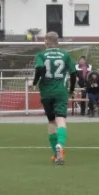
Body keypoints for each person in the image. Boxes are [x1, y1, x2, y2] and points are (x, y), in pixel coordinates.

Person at [32, 31, 76, 165]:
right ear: (57, 41)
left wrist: (34, 83)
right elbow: (74, 74)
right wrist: (71, 90)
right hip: (60, 91)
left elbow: (39, 68)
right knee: (61, 120)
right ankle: (60, 146)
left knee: (51, 122)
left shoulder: (41, 54)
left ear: (46, 42)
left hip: (46, 92)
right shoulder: (65, 55)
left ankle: (55, 154)